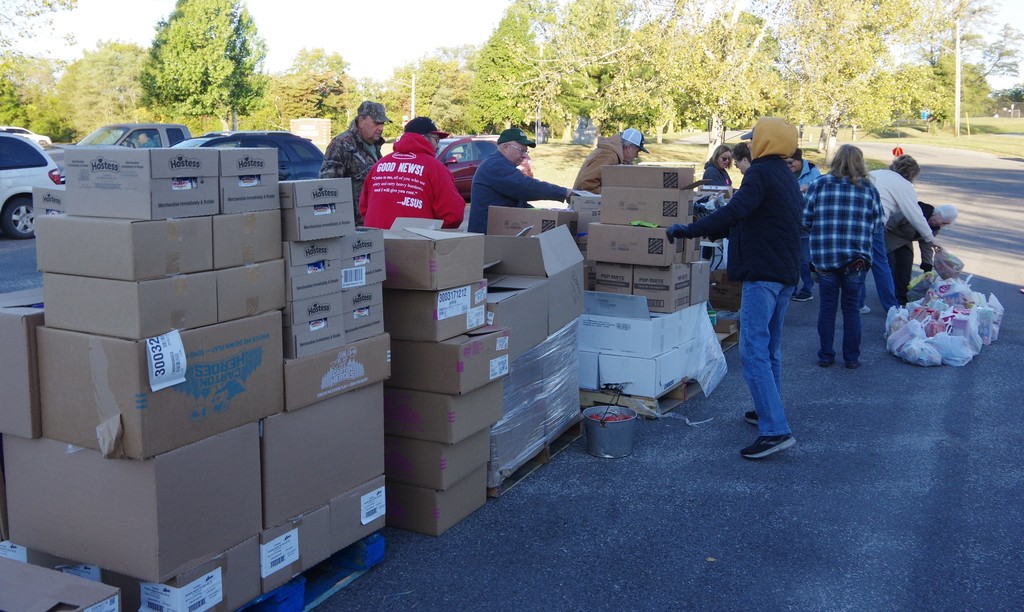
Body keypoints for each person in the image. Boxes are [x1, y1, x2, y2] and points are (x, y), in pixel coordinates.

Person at [665, 117, 802, 460]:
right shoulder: (785, 175)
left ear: (767, 142)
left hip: (764, 275)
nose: (750, 144)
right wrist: (716, 229)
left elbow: (736, 211)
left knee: (752, 351)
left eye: (754, 138)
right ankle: (767, 411)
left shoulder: (760, 172)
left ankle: (775, 430)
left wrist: (689, 230)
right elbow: (751, 220)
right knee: (769, 348)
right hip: (784, 273)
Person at [802, 144, 882, 370]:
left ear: (836, 160)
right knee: (851, 309)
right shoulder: (868, 189)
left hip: (825, 258)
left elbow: (804, 220)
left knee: (827, 308)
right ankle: (852, 357)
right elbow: (877, 226)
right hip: (856, 260)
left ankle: (826, 355)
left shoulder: (818, 185)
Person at [359, 117, 465, 230]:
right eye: (436, 139)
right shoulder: (435, 168)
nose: (438, 145)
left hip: (375, 242)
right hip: (414, 242)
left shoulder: (379, 165)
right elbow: (453, 215)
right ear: (423, 138)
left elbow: (364, 208)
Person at [467, 128, 573, 234]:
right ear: (505, 147)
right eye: (521, 150)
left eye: (526, 151)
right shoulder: (495, 165)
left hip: (493, 236)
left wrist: (547, 212)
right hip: (485, 240)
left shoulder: (500, 164)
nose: (525, 156)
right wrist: (563, 192)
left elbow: (519, 204)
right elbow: (526, 187)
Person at [869, 155, 938, 309]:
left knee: (859, 265)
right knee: (882, 266)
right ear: (912, 175)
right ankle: (892, 307)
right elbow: (915, 215)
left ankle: (858, 303)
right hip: (876, 224)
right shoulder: (904, 185)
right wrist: (931, 239)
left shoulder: (876, 173)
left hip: (855, 220)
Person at [320, 100, 391, 226]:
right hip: (352, 226)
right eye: (376, 123)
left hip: (373, 222)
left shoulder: (376, 146)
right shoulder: (341, 144)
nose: (381, 128)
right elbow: (328, 188)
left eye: (383, 124)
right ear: (361, 121)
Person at [886, 202, 958, 305]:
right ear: (937, 213)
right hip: (889, 236)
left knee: (906, 266)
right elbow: (889, 222)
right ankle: (889, 297)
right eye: (942, 222)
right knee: (890, 267)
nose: (940, 225)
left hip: (905, 242)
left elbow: (926, 245)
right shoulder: (915, 211)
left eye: (944, 224)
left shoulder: (934, 228)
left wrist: (927, 268)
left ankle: (902, 296)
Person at [788, 148, 821, 302]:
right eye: (786, 162)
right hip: (790, 220)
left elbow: (818, 195)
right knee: (791, 258)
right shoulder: (785, 172)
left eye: (791, 162)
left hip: (806, 222)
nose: (788, 165)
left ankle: (807, 289)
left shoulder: (813, 172)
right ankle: (792, 288)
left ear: (800, 160)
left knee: (804, 258)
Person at [572, 128, 649, 193]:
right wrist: (614, 194)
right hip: (584, 206)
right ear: (629, 148)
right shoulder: (609, 156)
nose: (636, 156)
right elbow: (586, 184)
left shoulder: (611, 154)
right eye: (637, 151)